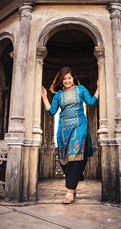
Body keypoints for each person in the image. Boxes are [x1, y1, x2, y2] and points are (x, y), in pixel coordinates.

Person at [41, 66, 98, 204]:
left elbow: (91, 102)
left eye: (69, 78)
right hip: (63, 130)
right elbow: (51, 112)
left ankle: (69, 192)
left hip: (79, 126)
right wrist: (43, 97)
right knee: (64, 160)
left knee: (76, 157)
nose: (67, 80)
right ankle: (75, 179)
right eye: (64, 78)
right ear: (61, 80)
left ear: (73, 78)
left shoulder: (81, 89)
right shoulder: (58, 95)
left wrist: (99, 88)